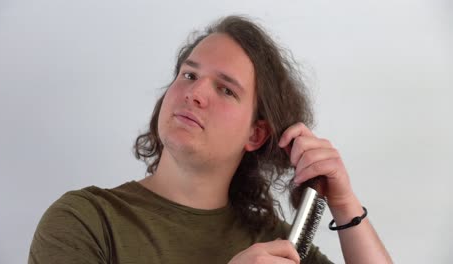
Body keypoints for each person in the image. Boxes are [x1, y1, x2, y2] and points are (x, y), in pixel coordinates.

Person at [29, 15, 392, 263]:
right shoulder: (86, 220)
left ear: (256, 134)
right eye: (189, 74)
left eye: (226, 90)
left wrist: (345, 204)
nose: (196, 92)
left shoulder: (277, 245)